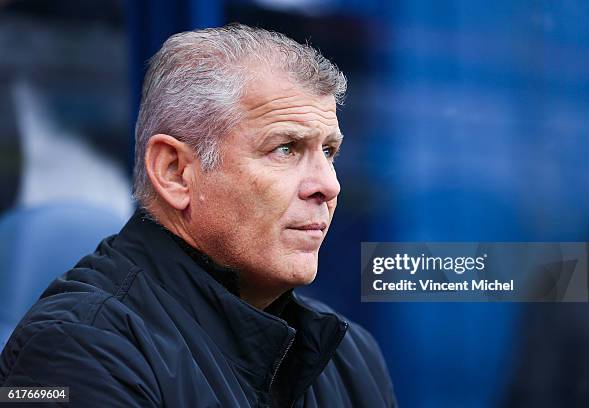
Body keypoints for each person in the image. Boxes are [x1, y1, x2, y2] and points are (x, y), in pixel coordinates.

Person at [0, 24, 397, 407]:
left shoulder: (350, 355)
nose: (328, 186)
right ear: (174, 172)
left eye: (329, 152)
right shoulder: (76, 350)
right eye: (286, 148)